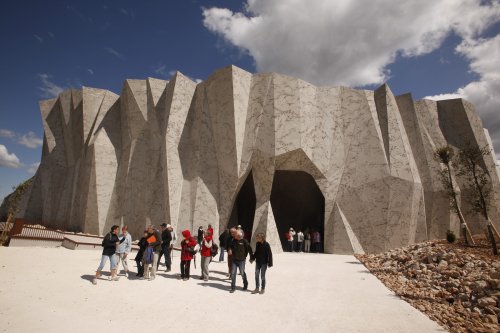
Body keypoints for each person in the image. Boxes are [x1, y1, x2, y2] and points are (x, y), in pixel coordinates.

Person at [228, 229, 252, 293]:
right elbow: (230, 246)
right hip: (234, 260)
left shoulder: (244, 241)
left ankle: (245, 283)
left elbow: (249, 249)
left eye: (235, 234)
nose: (234, 235)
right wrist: (229, 249)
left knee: (242, 273)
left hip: (241, 260)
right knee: (233, 273)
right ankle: (233, 287)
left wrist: (251, 257)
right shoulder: (233, 240)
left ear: (239, 235)